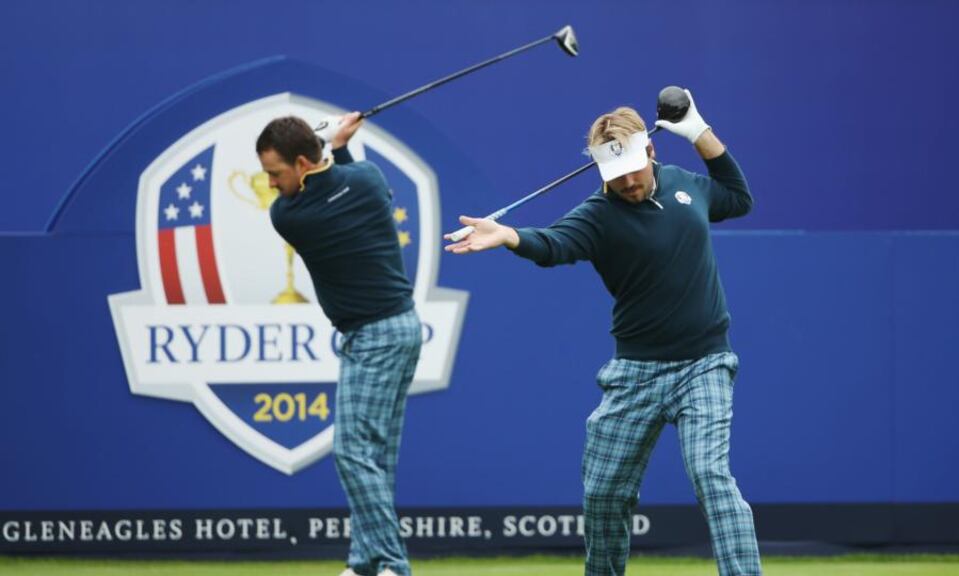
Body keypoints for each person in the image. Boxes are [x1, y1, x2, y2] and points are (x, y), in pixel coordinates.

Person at [445, 91, 762, 576]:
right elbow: (552, 244)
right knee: (603, 492)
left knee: (710, 474)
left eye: (633, 170)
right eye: (613, 175)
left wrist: (699, 132)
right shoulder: (598, 214)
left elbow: (738, 198)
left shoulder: (686, 186)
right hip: (635, 374)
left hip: (705, 363)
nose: (627, 183)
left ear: (651, 152)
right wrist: (509, 236)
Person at [256, 113, 420, 576]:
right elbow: (348, 178)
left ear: (303, 163)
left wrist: (330, 143)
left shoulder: (289, 215)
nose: (270, 185)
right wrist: (339, 146)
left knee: (351, 451)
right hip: (402, 329)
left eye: (275, 173)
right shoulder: (367, 179)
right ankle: (366, 562)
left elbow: (327, 182)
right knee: (376, 456)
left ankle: (392, 564)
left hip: (375, 337)